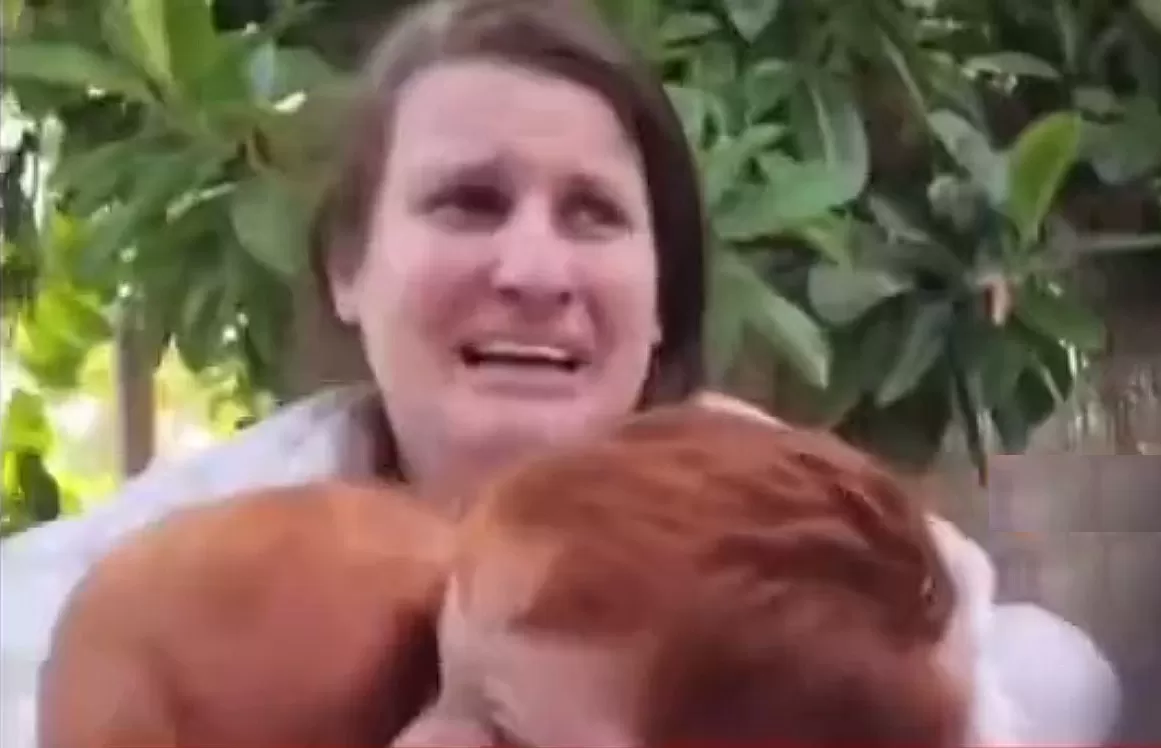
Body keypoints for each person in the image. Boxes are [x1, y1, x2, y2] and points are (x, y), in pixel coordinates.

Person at [0, 0, 1119, 746]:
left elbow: (1036, 676)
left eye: (593, 213)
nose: (534, 271)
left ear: (662, 293)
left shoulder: (794, 536)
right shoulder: (190, 560)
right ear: (348, 265)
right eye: (467, 201)